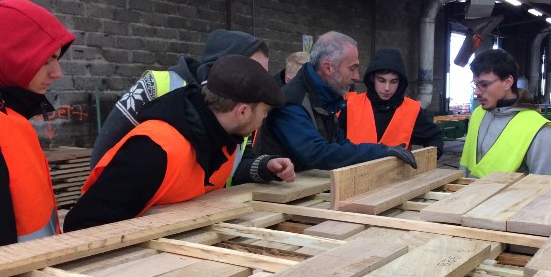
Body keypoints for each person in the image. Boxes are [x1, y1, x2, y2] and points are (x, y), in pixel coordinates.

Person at [64, 55, 295, 232]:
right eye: (264, 112)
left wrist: (264, 167)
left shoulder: (222, 140)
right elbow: (82, 225)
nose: (264, 119)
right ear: (242, 112)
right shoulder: (156, 150)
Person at [90, 30, 269, 168]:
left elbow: (235, 166)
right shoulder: (156, 86)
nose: (261, 84)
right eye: (254, 73)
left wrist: (262, 167)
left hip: (202, 209)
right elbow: (107, 145)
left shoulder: (245, 108)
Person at [254, 31, 417, 171]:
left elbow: (340, 144)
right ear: (328, 68)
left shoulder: (325, 97)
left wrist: (383, 150)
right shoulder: (291, 102)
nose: (356, 76)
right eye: (352, 68)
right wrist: (380, 151)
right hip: (279, 198)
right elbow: (318, 153)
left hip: (306, 189)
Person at [0, 0, 75, 246]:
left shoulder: (9, 119)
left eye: (57, 59)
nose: (57, 72)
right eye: (46, 59)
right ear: (10, 55)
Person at [459, 48, 551, 177]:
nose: (477, 92)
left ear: (508, 82)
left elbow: (548, 186)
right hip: (468, 194)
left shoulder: (538, 129)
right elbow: (467, 164)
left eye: (484, 84)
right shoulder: (478, 114)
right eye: (476, 85)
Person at [339, 48, 444, 158]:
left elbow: (434, 138)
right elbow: (332, 144)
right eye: (382, 80)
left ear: (400, 82)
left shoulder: (412, 110)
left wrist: (424, 162)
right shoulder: (350, 106)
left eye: (393, 82)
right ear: (372, 78)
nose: (387, 88)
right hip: (354, 174)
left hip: (397, 175)